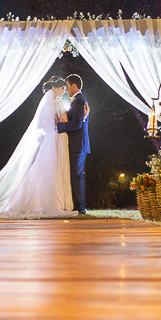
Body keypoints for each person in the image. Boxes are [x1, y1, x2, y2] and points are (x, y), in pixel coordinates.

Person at [0, 77, 76, 219]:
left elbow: (43, 123)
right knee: (55, 168)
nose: (63, 91)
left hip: (46, 138)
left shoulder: (45, 103)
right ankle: (56, 201)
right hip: (55, 138)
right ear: (54, 88)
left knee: (42, 168)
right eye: (61, 88)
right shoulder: (58, 101)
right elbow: (64, 120)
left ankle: (37, 200)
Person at [55, 73, 89, 214]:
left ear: (74, 86)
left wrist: (60, 126)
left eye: (68, 86)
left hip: (77, 144)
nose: (67, 90)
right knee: (76, 175)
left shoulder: (79, 101)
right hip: (77, 143)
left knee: (76, 175)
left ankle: (80, 207)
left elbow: (77, 123)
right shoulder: (78, 101)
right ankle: (78, 204)